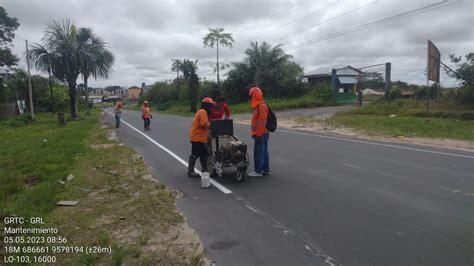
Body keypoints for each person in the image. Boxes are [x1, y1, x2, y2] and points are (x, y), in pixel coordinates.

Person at [187, 97, 215, 177]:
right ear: (207, 106)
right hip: (197, 137)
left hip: (200, 138)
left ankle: (205, 169)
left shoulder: (201, 111)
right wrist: (212, 126)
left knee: (204, 154)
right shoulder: (203, 112)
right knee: (195, 153)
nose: (211, 108)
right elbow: (204, 123)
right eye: (211, 106)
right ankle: (190, 171)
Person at [248, 87, 270, 177]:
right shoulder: (259, 106)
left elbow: (262, 121)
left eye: (251, 96)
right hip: (261, 133)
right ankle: (265, 169)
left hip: (261, 133)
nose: (250, 98)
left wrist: (259, 133)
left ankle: (258, 171)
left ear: (255, 96)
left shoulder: (261, 106)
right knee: (263, 151)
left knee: (259, 152)